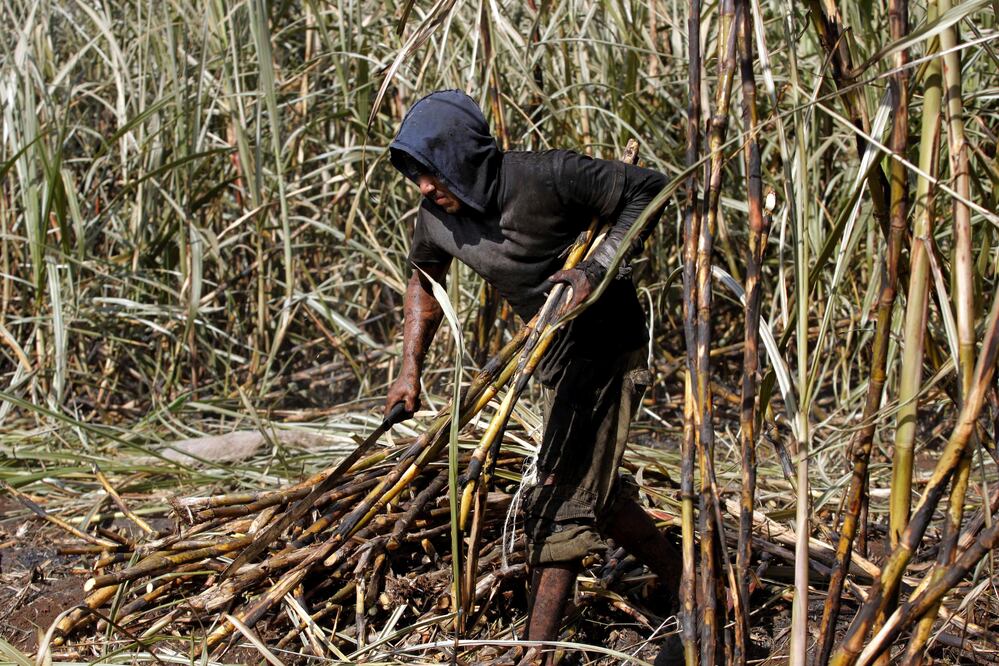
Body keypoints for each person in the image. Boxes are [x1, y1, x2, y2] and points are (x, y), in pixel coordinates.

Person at [385, 89, 682, 665]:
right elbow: (424, 279)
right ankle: (698, 589)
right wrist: (408, 372)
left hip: (607, 348)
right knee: (590, 489)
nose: (423, 186)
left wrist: (596, 269)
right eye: (416, 174)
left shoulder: (547, 176)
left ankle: (537, 653)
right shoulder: (437, 218)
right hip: (553, 360)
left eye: (431, 169)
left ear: (463, 156)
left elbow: (651, 187)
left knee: (560, 496)